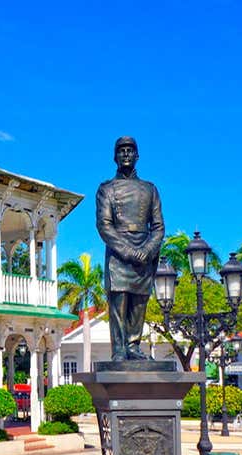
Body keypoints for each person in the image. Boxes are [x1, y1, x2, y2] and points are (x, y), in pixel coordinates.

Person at [96, 137, 165, 362]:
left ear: (137, 156)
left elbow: (158, 226)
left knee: (139, 302)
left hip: (145, 254)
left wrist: (147, 250)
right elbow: (104, 225)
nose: (126, 154)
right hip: (118, 253)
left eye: (130, 151)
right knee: (119, 302)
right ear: (115, 157)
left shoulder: (150, 189)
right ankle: (119, 349)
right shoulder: (106, 189)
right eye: (122, 151)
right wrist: (126, 251)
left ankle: (134, 346)